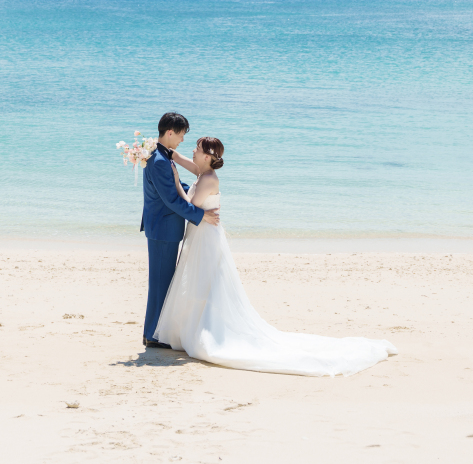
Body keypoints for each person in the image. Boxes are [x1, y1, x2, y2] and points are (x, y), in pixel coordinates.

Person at [154, 136, 398, 376]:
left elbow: (188, 204)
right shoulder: (202, 172)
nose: (193, 152)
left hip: (205, 237)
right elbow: (189, 164)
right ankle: (196, 326)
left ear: (207, 156)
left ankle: (208, 330)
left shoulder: (208, 179)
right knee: (200, 281)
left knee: (206, 283)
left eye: (197, 149)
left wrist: (175, 180)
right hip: (202, 234)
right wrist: (168, 153)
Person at [140, 111, 220, 348]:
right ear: (170, 132)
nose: (183, 140)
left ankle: (152, 332)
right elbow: (172, 201)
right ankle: (154, 335)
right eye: (182, 134)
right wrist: (201, 215)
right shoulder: (160, 161)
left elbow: (174, 187)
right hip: (164, 228)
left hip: (161, 227)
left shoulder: (161, 156)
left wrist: (193, 189)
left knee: (160, 282)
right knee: (161, 283)